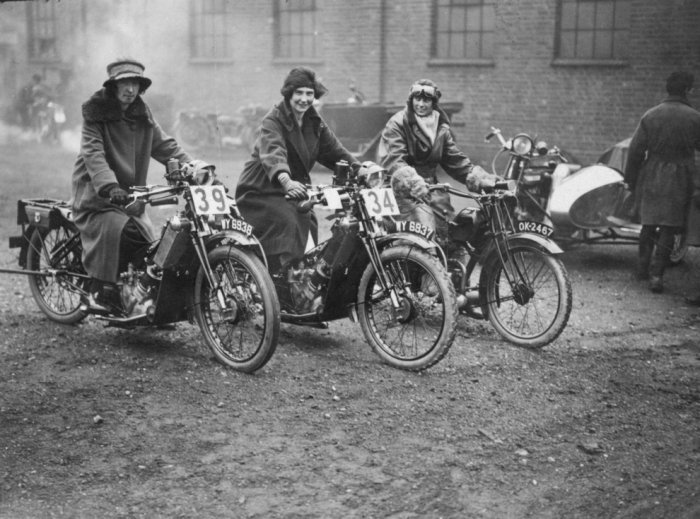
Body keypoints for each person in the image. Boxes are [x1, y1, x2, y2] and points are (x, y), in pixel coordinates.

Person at [71, 59, 208, 313]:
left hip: (130, 197)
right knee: (123, 231)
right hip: (98, 195)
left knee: (151, 246)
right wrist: (110, 186)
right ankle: (100, 292)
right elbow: (94, 154)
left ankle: (141, 299)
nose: (130, 89)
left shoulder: (142, 115)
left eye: (135, 83)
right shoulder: (95, 114)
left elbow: (165, 146)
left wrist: (195, 168)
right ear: (113, 86)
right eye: (124, 83)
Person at [235, 67, 360, 279]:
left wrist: (362, 169)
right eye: (299, 93)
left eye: (309, 93)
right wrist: (286, 180)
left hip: (294, 190)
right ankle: (277, 278)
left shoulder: (314, 122)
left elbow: (335, 151)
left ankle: (302, 276)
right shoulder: (273, 120)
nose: (304, 99)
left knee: (308, 220)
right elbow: (274, 153)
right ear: (289, 94)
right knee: (288, 221)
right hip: (262, 188)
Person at [378, 78, 496, 251]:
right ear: (411, 100)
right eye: (417, 99)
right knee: (420, 235)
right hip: (401, 188)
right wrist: (413, 182)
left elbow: (454, 159)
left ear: (434, 102)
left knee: (450, 232)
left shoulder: (439, 126)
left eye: (426, 100)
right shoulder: (397, 123)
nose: (421, 104)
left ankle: (447, 265)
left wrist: (478, 178)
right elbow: (395, 160)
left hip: (431, 188)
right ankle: (410, 264)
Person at [624, 70, 700, 293]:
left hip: (652, 173)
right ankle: (657, 275)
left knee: (648, 223)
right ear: (687, 90)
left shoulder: (651, 115)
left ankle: (642, 267)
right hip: (680, 177)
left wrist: (631, 179)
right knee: (669, 225)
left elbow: (635, 150)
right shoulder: (695, 118)